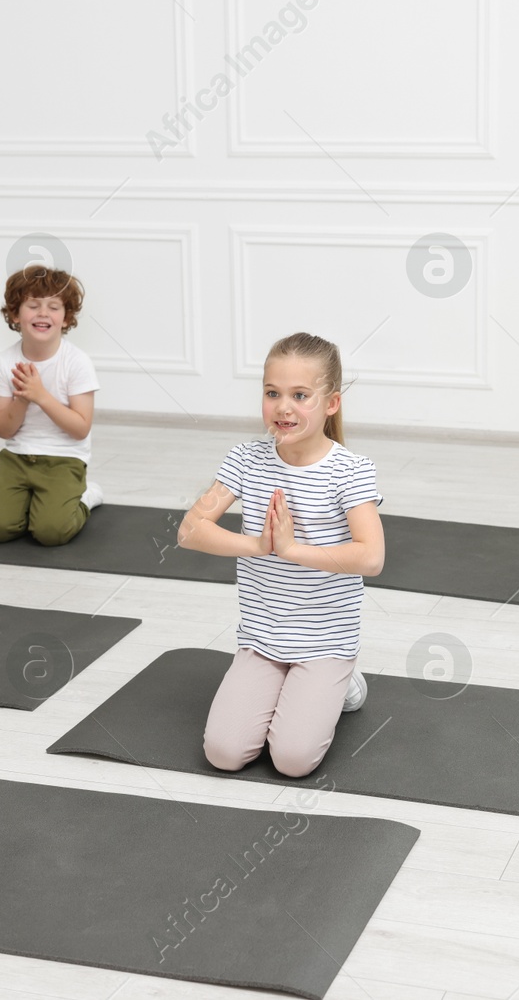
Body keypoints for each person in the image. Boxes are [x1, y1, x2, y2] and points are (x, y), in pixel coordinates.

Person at [180, 332, 385, 778]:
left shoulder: (350, 471)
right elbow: (190, 531)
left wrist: (292, 550)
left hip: (325, 641)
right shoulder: (246, 459)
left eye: (300, 395)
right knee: (223, 753)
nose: (283, 407)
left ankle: (344, 683)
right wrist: (257, 545)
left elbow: (371, 558)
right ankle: (292, 688)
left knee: (292, 761)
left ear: (331, 403)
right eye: (272, 393)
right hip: (262, 638)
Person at [0, 264, 103, 546]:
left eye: (54, 307)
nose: (43, 313)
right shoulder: (4, 362)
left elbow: (80, 429)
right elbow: (3, 430)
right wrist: (22, 398)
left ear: (66, 318)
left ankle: (86, 497)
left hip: (64, 459)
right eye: (33, 306)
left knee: (50, 533)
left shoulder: (77, 362)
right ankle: (28, 500)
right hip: (18, 457)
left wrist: (41, 396)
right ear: (15, 315)